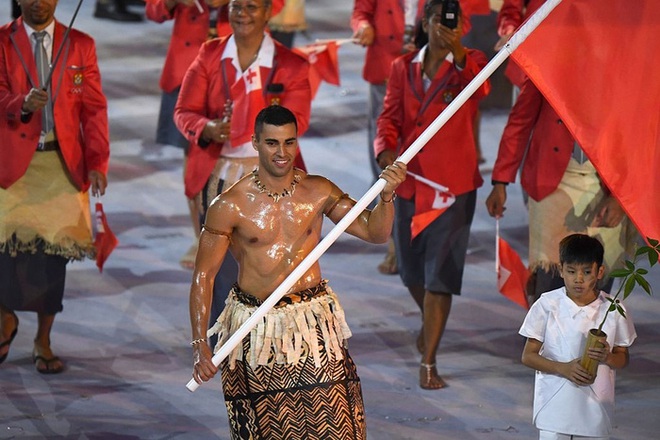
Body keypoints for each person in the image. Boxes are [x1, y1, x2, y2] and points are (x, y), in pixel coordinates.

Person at [189, 105, 407, 439]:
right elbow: (204, 276)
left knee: (339, 425)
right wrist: (200, 342)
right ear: (255, 143)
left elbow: (375, 233)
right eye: (272, 143)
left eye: (289, 142)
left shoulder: (319, 190)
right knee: (269, 430)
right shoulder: (229, 206)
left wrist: (388, 197)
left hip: (312, 323)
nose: (282, 152)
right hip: (256, 330)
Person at [174, 0, 311, 339]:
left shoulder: (291, 64)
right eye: (236, 6)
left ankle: (272, 337)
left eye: (252, 6)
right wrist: (206, 128)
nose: (243, 13)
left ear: (269, 12)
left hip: (274, 178)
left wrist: (254, 132)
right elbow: (183, 111)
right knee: (218, 267)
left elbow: (300, 121)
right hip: (219, 174)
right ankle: (221, 338)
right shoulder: (209, 55)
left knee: (273, 262)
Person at [374, 0, 489, 389]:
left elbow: (483, 87)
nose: (444, 23)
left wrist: (457, 51)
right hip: (409, 183)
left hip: (452, 188)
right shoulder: (401, 67)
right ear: (423, 21)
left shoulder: (469, 63)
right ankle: (429, 323)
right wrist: (385, 149)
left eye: (451, 19)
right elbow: (388, 117)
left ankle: (429, 359)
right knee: (410, 269)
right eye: (437, 17)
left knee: (440, 273)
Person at [0, 0, 110, 373]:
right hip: (11, 166)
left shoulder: (81, 43)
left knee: (53, 261)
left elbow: (94, 109)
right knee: (5, 253)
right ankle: (6, 319)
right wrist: (23, 104)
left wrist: (97, 163)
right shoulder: (1, 41)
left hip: (61, 164)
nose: (38, 2)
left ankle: (43, 339)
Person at [484, 79, 637, 305]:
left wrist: (620, 197)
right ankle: (546, 338)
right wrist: (500, 182)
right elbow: (520, 122)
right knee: (552, 278)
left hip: (608, 181)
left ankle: (587, 338)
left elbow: (638, 135)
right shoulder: (548, 61)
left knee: (598, 277)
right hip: (552, 179)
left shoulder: (623, 66)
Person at [519, 234, 636, 439]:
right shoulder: (547, 305)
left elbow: (622, 357)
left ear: (600, 272)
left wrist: (607, 357)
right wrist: (563, 368)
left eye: (587, 272)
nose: (579, 279)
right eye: (571, 271)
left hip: (595, 407)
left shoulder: (613, 309)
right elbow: (528, 356)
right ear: (561, 269)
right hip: (553, 405)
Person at [145, 0, 230, 269]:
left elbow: (274, 6)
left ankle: (234, 234)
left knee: (241, 153)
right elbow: (153, 10)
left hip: (237, 66)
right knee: (192, 158)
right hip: (186, 71)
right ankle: (201, 237)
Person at [351, 0, 424, 275]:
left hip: (425, 74)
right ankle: (394, 243)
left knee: (421, 157)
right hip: (384, 71)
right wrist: (364, 27)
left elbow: (458, 20)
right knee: (385, 155)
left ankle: (418, 238)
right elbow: (361, 12)